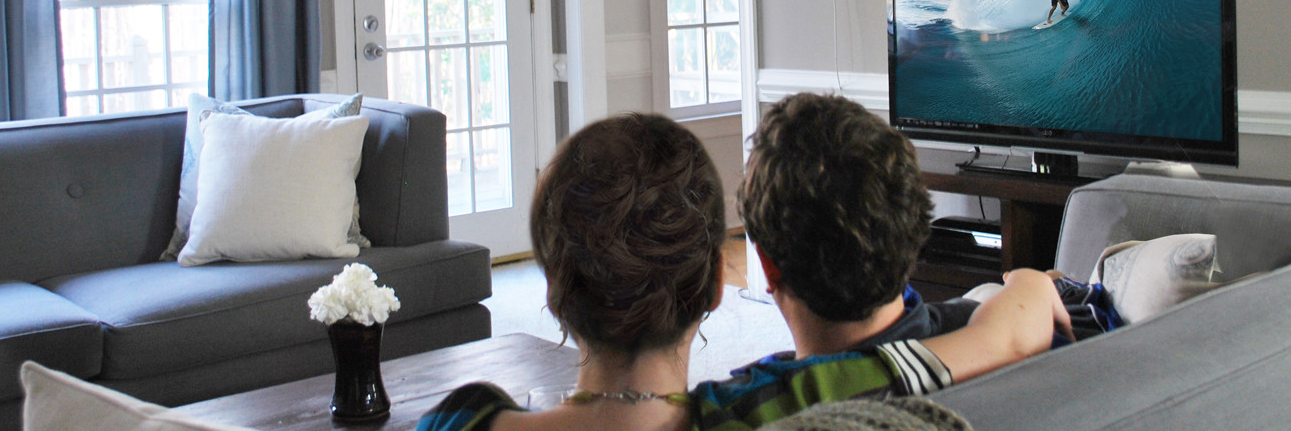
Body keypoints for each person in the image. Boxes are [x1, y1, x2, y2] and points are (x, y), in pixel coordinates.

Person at [416, 112, 1070, 431]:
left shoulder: (461, 419)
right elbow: (1000, 338)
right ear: (712, 284)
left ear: (554, 291)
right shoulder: (780, 404)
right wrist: (1032, 280)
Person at [737, 92, 1100, 374]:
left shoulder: (752, 406)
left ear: (768, 266)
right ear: (913, 229)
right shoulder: (1050, 334)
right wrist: (1032, 285)